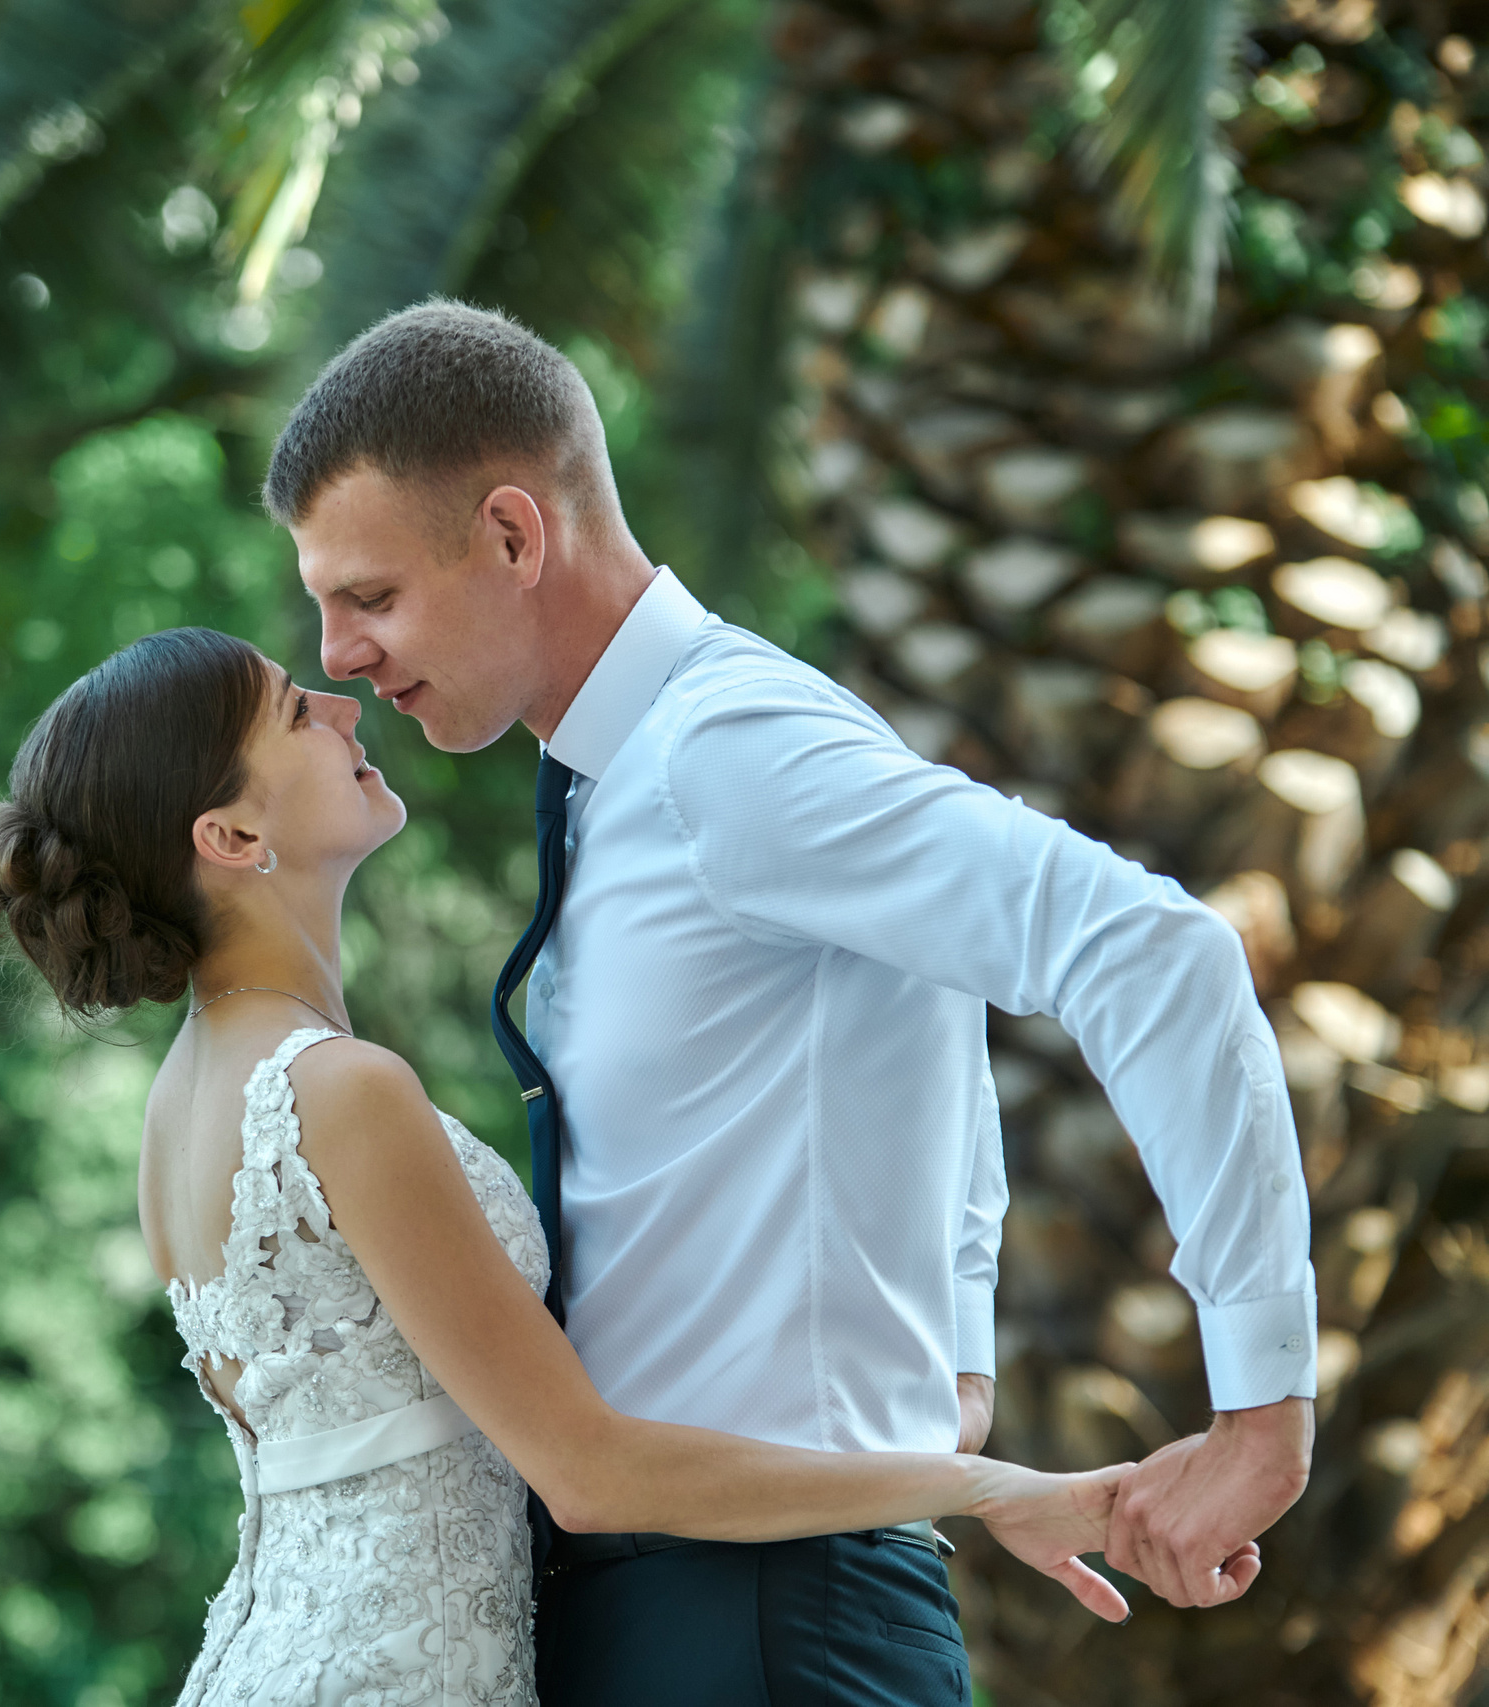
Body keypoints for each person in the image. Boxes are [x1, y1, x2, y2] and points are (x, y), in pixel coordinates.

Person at [264, 300, 1317, 1703]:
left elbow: (1148, 946)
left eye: (371, 597)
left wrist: (1262, 1410)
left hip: (766, 1620)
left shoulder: (730, 748)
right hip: (707, 1602)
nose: (335, 654)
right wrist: (949, 1355)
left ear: (516, 537)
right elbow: (937, 992)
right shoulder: (632, 763)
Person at [0, 626, 1134, 1706]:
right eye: (292, 714)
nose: (339, 704)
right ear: (231, 837)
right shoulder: (340, 1090)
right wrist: (979, 1486)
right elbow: (590, 1470)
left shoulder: (180, 1106)